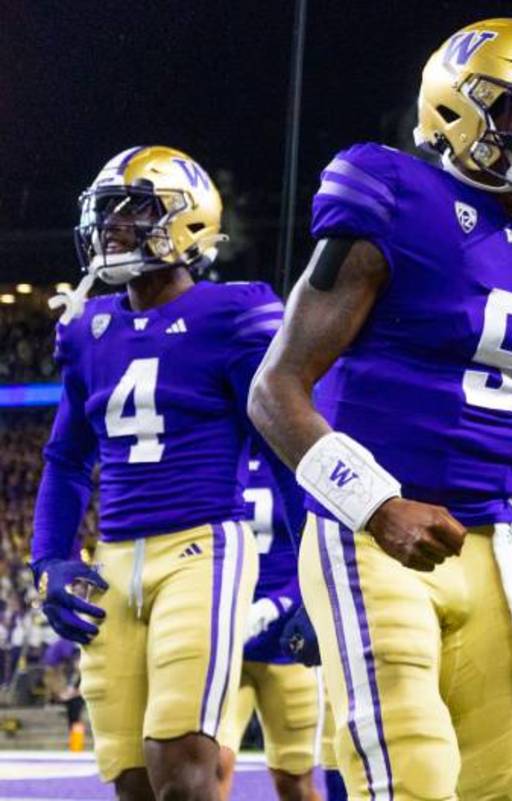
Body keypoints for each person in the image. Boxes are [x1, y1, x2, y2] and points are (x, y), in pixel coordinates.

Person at [248, 19, 512, 800]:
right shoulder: (391, 193)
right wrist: (377, 505)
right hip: (371, 538)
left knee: (504, 786)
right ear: (456, 107)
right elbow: (275, 390)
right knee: (411, 775)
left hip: (491, 543)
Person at [30, 146, 299, 801]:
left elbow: (289, 445)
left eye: (136, 211)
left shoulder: (233, 315)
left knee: (180, 760)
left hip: (203, 546)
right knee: (130, 777)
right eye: (108, 215)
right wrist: (50, 557)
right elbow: (67, 456)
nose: (115, 228)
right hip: (114, 558)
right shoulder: (89, 328)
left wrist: (301, 580)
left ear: (191, 223)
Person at [217, 449, 316, 801]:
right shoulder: (220, 450)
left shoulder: (294, 452)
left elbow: (316, 551)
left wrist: (276, 605)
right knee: (213, 765)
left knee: (293, 785)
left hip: (288, 645)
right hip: (228, 640)